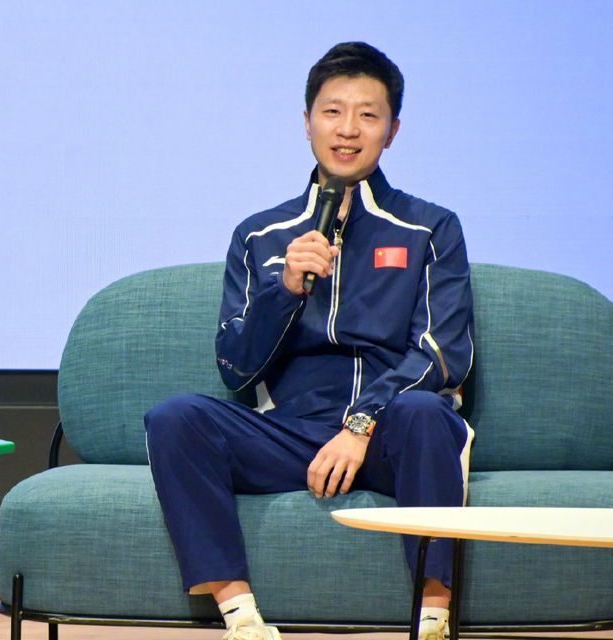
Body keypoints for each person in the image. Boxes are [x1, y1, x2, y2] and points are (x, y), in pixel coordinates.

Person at [145, 42, 474, 640]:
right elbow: (234, 368)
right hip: (293, 433)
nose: (348, 130)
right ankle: (240, 615)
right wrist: (286, 289)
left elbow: (442, 353)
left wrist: (363, 422)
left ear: (392, 131)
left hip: (392, 432)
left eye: (368, 115)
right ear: (306, 123)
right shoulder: (260, 235)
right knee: (175, 418)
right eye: (332, 111)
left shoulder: (431, 227)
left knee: (428, 413)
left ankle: (433, 616)